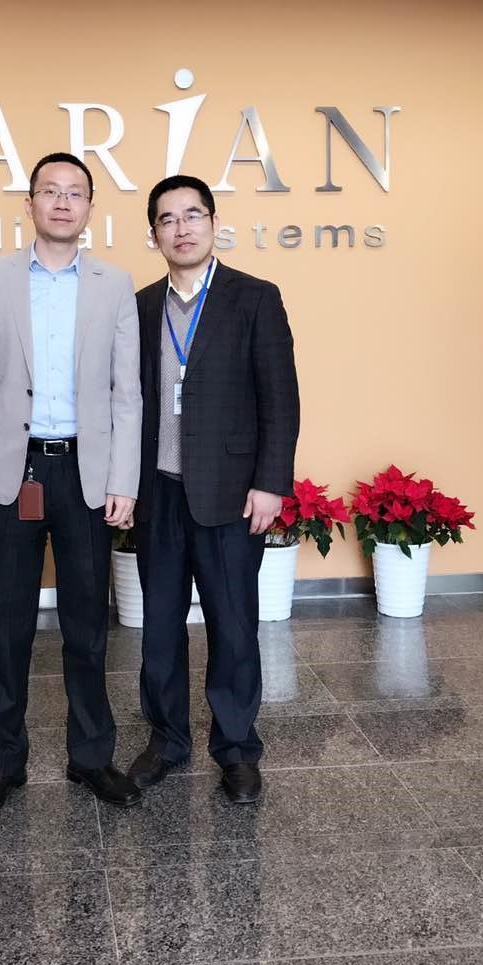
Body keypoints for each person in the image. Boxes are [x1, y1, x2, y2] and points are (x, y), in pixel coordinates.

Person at [0, 152, 143, 818]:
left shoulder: (114, 284)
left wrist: (123, 479)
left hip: (87, 476)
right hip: (17, 472)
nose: (63, 202)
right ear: (29, 202)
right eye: (50, 191)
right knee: (6, 625)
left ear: (90, 207)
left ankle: (90, 757)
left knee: (87, 624)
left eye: (75, 193)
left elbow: (127, 393)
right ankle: (3, 766)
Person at [126, 175, 300, 804]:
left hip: (230, 495)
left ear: (214, 224)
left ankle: (236, 748)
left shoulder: (254, 298)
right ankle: (167, 740)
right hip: (158, 494)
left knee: (233, 625)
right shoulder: (140, 307)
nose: (182, 228)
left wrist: (270, 484)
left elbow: (280, 399)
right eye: (167, 219)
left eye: (192, 215)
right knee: (159, 627)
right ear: (153, 235)